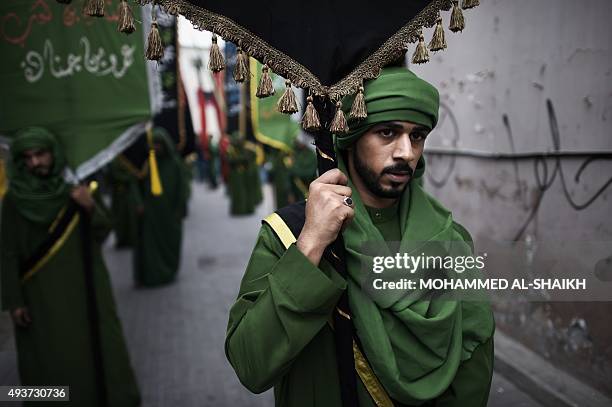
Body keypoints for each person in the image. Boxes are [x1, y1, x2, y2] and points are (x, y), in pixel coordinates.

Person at [225, 67, 495, 406]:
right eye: (387, 132)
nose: (406, 153)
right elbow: (251, 365)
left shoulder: (450, 240)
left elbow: (474, 368)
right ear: (351, 138)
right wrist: (310, 246)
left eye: (417, 136)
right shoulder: (288, 234)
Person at [0, 127, 140, 406]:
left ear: (54, 154)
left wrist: (89, 207)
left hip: (85, 290)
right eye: (27, 158)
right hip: (39, 299)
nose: (34, 163)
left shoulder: (76, 192)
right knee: (47, 362)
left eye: (40, 154)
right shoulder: (13, 201)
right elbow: (7, 253)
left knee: (93, 352)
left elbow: (103, 232)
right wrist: (14, 302)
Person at [133, 128, 189, 286]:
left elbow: (181, 189)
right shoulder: (147, 164)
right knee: (151, 247)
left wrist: (179, 209)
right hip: (151, 214)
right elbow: (137, 184)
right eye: (153, 144)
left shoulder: (175, 164)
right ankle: (154, 276)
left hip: (170, 214)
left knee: (170, 245)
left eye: (159, 144)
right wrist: (139, 203)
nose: (156, 148)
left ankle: (169, 272)